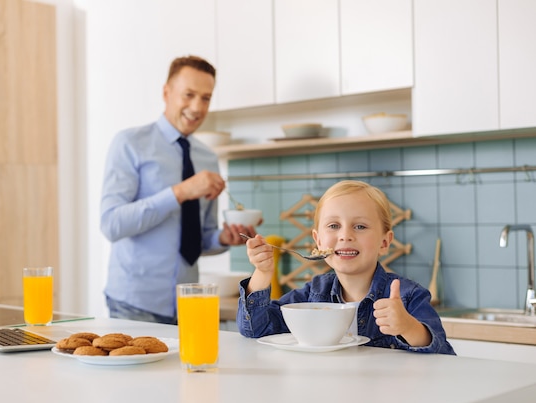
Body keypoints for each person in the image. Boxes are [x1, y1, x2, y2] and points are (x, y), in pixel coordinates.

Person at [100, 55, 256, 324]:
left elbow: (198, 238)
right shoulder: (130, 143)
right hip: (134, 303)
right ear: (166, 92)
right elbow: (112, 224)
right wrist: (181, 192)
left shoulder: (208, 159)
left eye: (205, 98)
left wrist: (223, 238)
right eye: (189, 95)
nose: (197, 107)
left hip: (188, 304)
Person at [237, 180, 455, 355]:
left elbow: (443, 355)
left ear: (385, 242)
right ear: (318, 241)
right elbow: (256, 329)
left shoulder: (408, 296)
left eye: (360, 226)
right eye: (333, 226)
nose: (345, 235)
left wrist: (408, 327)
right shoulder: (312, 295)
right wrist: (262, 273)